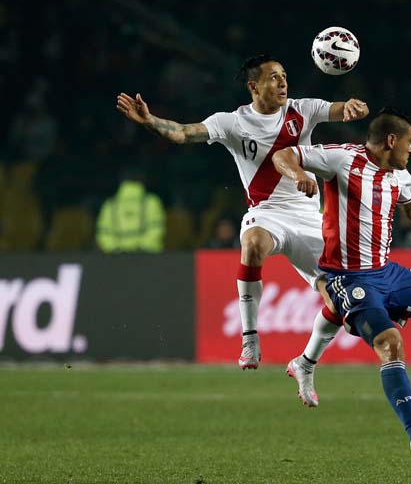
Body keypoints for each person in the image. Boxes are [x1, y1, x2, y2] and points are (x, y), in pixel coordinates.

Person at [116, 55, 369, 406]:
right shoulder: (232, 122)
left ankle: (305, 363)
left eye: (284, 76)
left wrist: (353, 107)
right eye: (273, 78)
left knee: (342, 305)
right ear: (254, 86)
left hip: (309, 218)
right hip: (266, 213)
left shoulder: (303, 110)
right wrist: (149, 121)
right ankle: (250, 337)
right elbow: (183, 133)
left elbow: (339, 110)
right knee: (252, 243)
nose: (282, 83)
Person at [272, 108, 411, 461]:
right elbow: (283, 155)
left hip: (387, 272)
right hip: (348, 277)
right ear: (392, 140)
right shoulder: (342, 159)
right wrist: (298, 173)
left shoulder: (399, 174)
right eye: (410, 143)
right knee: (390, 343)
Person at [96, 168, 166, 252]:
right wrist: (141, 248)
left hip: (115, 260)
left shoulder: (110, 204)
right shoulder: (152, 202)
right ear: (143, 181)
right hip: (149, 258)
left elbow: (104, 232)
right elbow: (156, 229)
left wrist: (115, 250)